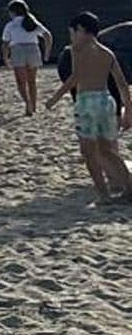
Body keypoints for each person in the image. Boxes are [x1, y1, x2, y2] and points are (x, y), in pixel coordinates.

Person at [45, 12, 132, 203]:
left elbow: (75, 76)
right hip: (106, 101)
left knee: (89, 152)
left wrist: (55, 98)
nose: (72, 37)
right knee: (108, 150)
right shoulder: (108, 52)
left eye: (73, 32)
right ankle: (128, 187)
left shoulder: (77, 50)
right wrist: (128, 108)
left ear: (81, 30)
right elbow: (121, 83)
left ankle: (103, 195)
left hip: (87, 102)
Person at [1, 0, 52, 115]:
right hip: (33, 49)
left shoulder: (11, 25)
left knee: (21, 81)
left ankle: (28, 103)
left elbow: (5, 43)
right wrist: (47, 52)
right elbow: (47, 35)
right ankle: (33, 106)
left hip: (18, 50)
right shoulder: (32, 22)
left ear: (12, 12)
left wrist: (5, 58)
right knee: (31, 81)